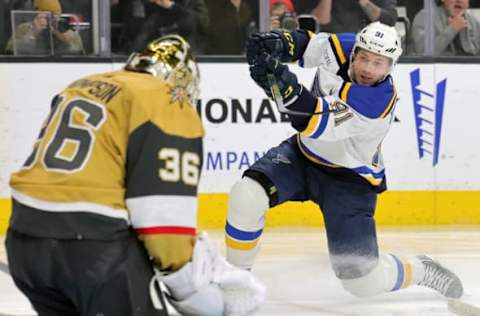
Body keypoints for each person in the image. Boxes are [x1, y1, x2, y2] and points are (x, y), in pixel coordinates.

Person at [5, 34, 265, 316]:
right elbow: (163, 218)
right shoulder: (165, 98)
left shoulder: (83, 85)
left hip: (24, 241)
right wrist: (188, 286)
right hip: (91, 249)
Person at [225, 22, 464, 300]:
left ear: (390, 67)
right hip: (303, 157)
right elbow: (306, 45)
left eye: (378, 63)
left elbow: (309, 118)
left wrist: (283, 88)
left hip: (350, 181)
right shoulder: (344, 47)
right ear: (355, 53)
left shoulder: (377, 101)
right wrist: (277, 42)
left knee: (362, 282)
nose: (367, 68)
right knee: (247, 194)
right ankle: (235, 284)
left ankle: (422, 269)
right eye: (364, 58)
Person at [5, 0, 84, 55]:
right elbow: (10, 53)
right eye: (45, 15)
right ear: (36, 15)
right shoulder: (23, 28)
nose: (48, 20)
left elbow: (80, 56)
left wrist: (64, 40)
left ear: (58, 17)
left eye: (52, 16)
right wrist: (33, 32)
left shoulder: (68, 32)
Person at [132, 0, 209, 54]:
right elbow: (137, 30)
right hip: (153, 51)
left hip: (186, 51)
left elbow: (202, 23)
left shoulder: (192, 2)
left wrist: (172, 6)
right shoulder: (151, 6)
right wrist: (143, 4)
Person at [410, 0, 480, 56]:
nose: (459, 1)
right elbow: (424, 53)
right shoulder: (425, 17)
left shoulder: (474, 22)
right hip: (435, 72)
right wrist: (452, 29)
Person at [310, 0, 398, 33]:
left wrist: (364, 2)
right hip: (330, 46)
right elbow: (317, 23)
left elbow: (389, 21)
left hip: (370, 49)